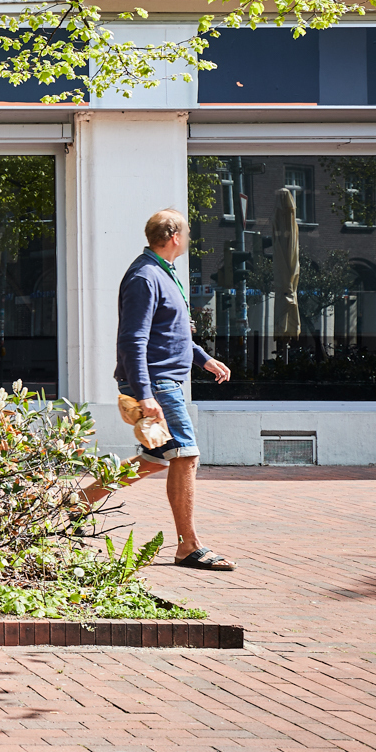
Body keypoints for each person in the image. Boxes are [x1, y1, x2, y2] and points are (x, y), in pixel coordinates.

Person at [89, 208, 236, 570]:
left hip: (162, 380)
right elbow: (132, 340)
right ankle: (189, 546)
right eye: (186, 234)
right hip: (156, 382)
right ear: (174, 237)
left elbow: (172, 331)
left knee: (156, 459)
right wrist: (145, 394)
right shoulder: (145, 276)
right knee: (185, 455)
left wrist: (203, 359)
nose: (187, 240)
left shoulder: (162, 273)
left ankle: (74, 503)